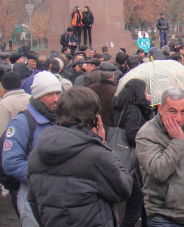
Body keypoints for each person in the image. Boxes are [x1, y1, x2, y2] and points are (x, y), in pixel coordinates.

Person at [26, 86, 132, 226]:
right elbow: (123, 189)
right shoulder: (97, 155)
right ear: (94, 118)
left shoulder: (36, 153)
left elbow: (34, 202)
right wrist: (104, 145)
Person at [136, 87, 184, 226]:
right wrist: (178, 141)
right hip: (165, 217)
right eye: (172, 111)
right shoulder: (147, 134)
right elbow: (159, 171)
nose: (179, 118)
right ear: (161, 109)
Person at [2, 71, 62, 226]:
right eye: (49, 94)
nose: (55, 99)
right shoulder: (21, 123)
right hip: (32, 195)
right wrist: (43, 178)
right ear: (37, 96)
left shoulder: (62, 119)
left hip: (60, 196)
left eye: (58, 93)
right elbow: (11, 162)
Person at [114, 78, 153, 227]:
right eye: (144, 91)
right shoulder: (134, 109)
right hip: (134, 161)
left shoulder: (121, 106)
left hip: (125, 157)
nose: (146, 93)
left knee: (142, 204)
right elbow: (132, 135)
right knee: (133, 210)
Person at [89, 62, 117, 132]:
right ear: (112, 75)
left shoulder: (91, 88)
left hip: (93, 129)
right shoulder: (116, 91)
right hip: (110, 131)